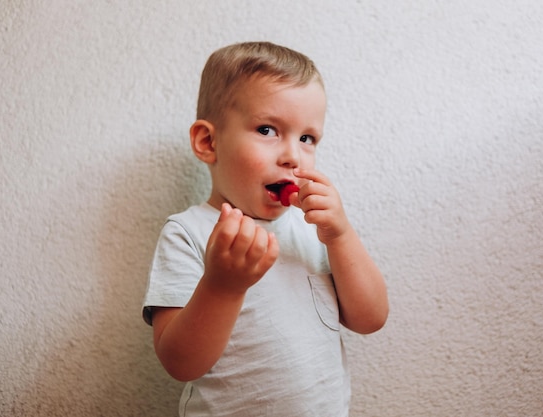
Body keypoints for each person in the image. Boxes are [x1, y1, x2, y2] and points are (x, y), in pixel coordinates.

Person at [142, 41, 389, 416]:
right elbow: (180, 363)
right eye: (268, 129)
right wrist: (222, 287)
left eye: (307, 138)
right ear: (209, 142)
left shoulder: (315, 230)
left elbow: (370, 319)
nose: (292, 155)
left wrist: (341, 235)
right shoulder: (189, 233)